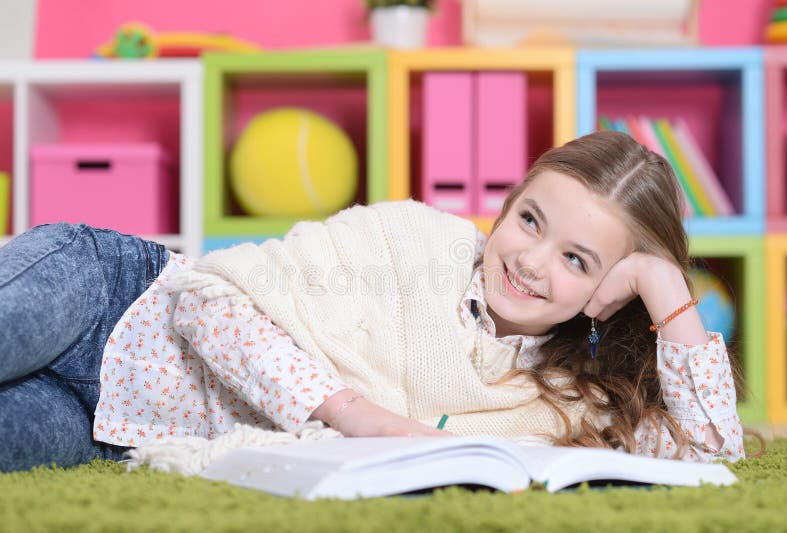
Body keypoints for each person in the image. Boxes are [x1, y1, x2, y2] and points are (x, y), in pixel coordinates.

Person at [0, 131, 744, 473]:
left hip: (115, 428)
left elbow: (714, 456)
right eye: (529, 220)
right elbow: (206, 302)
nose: (530, 261)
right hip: (110, 298)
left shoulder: (569, 404)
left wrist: (665, 288)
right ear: (509, 203)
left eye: (577, 260)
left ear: (605, 295)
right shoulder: (412, 237)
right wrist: (360, 416)